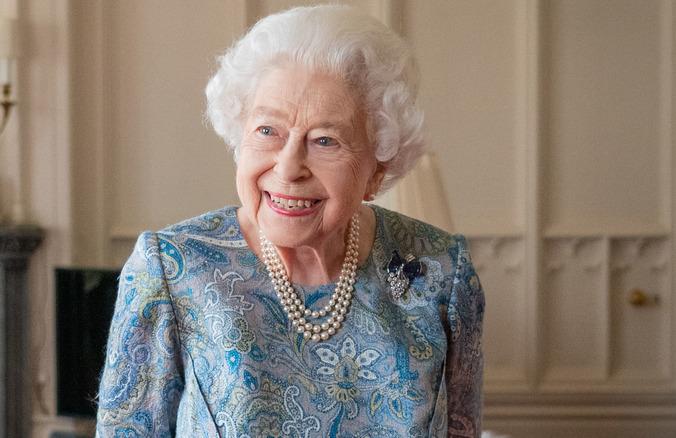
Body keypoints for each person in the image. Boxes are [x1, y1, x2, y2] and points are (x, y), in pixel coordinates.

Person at [96, 5, 484, 437]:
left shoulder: (440, 272)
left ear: (377, 168)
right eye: (267, 130)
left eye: (325, 140)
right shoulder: (171, 271)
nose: (288, 167)